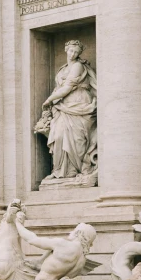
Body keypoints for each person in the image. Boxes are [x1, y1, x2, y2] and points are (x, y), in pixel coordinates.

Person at [37, 39, 98, 183]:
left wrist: (49, 100)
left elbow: (67, 88)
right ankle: (59, 171)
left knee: (77, 139)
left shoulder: (77, 66)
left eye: (76, 52)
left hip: (78, 103)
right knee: (58, 136)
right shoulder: (62, 69)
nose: (73, 54)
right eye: (71, 50)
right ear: (66, 50)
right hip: (63, 106)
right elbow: (59, 88)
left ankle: (74, 170)